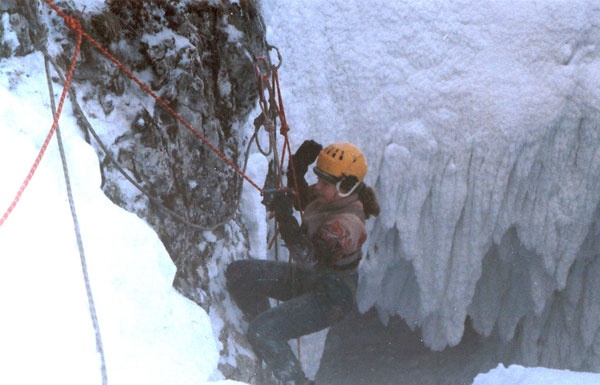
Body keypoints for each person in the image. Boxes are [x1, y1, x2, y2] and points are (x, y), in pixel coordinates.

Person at [226, 140, 380, 385]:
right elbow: (301, 198)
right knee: (239, 274)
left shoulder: (350, 225)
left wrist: (285, 217)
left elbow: (309, 258)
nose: (318, 186)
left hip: (331, 296)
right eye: (318, 179)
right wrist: (296, 167)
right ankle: (268, 339)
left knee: (263, 332)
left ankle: (295, 380)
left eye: (324, 183)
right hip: (312, 280)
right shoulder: (330, 197)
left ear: (346, 186)